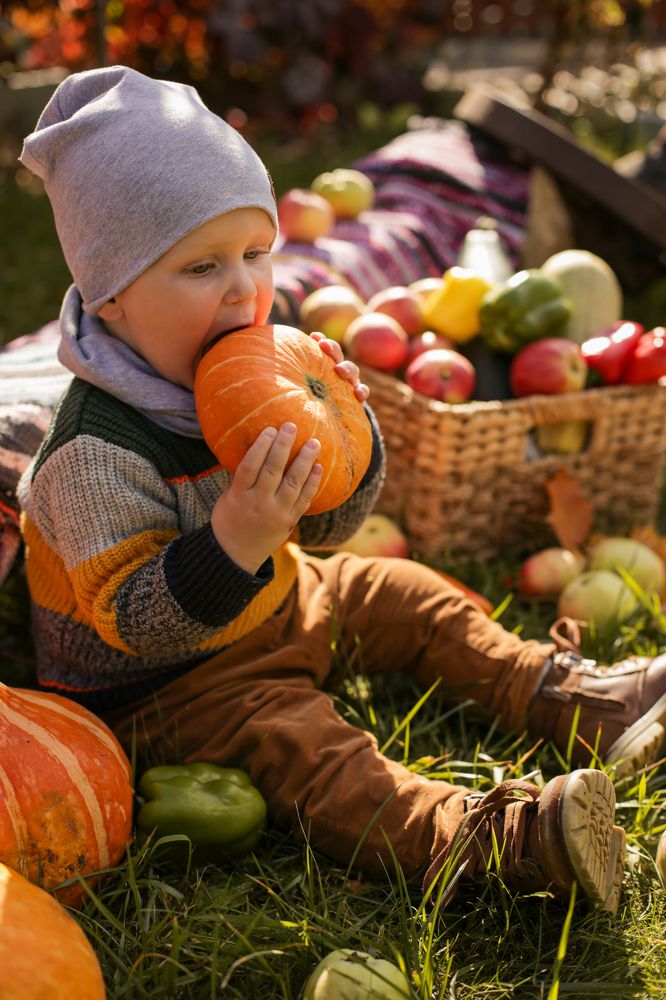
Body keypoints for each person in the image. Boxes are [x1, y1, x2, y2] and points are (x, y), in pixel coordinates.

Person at [17, 66, 666, 915]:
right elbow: (135, 622)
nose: (246, 289)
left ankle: (577, 698)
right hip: (169, 690)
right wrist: (241, 538)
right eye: (201, 266)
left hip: (286, 600)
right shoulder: (91, 456)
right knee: (315, 754)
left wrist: (350, 444)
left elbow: (324, 529)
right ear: (110, 297)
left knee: (404, 592)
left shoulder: (253, 363)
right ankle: (499, 842)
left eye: (257, 254)